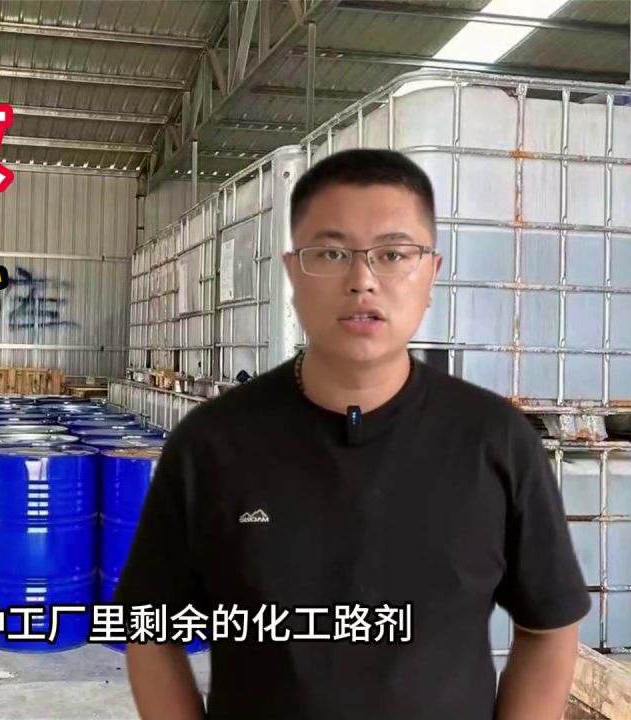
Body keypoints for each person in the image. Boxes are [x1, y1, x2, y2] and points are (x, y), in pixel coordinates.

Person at [113, 148, 591, 720]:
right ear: (293, 273)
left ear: (431, 273)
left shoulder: (497, 441)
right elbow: (150, 630)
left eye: (393, 254)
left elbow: (549, 626)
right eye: (331, 253)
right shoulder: (211, 444)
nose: (362, 281)